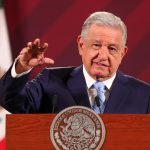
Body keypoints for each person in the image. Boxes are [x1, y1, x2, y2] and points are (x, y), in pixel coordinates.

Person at [0, 11, 150, 114]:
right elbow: (8, 101)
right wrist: (21, 67)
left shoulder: (144, 95)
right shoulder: (50, 82)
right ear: (81, 45)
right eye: (96, 45)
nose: (103, 55)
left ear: (122, 53)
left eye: (112, 48)